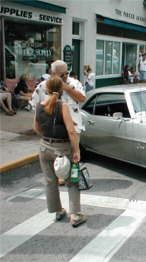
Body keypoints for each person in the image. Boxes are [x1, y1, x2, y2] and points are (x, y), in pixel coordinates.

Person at [33, 76, 87, 227]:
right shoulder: (62, 106)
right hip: (63, 149)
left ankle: (57, 211)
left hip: (44, 147)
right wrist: (76, 150)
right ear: (62, 88)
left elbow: (37, 128)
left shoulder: (39, 106)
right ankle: (75, 215)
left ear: (46, 89)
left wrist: (47, 136)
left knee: (50, 182)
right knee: (72, 181)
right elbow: (71, 131)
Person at [32, 60, 86, 186]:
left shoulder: (74, 83)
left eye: (67, 73)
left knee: (74, 158)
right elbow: (36, 108)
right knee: (57, 160)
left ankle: (73, 180)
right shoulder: (43, 86)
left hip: (73, 129)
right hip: (53, 132)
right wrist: (42, 132)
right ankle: (60, 176)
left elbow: (82, 98)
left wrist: (66, 87)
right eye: (62, 75)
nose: (66, 76)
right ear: (53, 73)